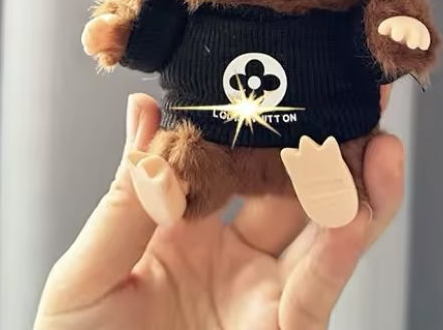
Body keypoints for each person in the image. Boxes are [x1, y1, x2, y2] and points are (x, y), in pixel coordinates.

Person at [34, 93, 404, 330]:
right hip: (204, 140)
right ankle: (169, 185)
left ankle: (328, 175)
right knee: (182, 156)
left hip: (292, 128)